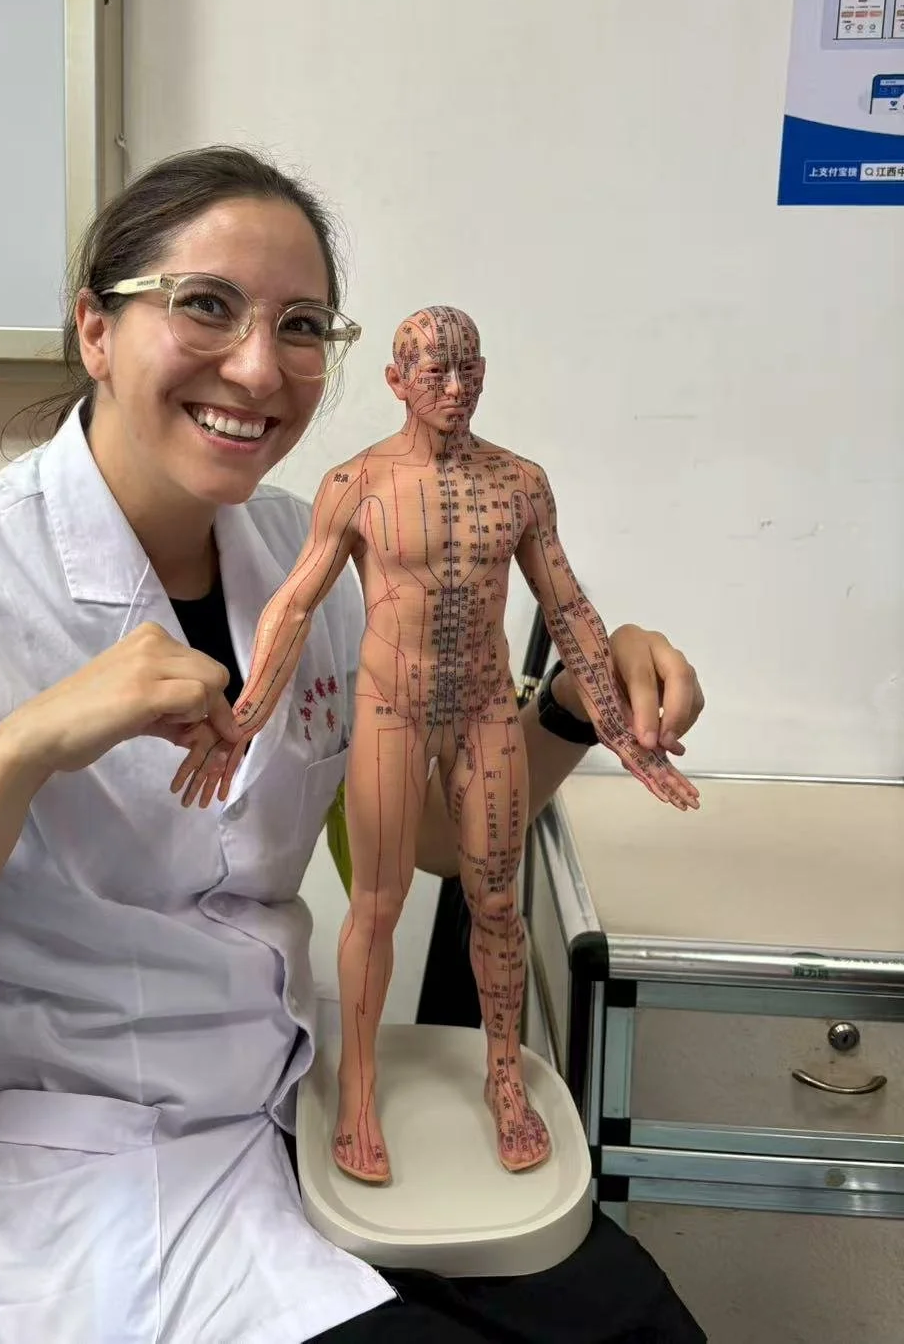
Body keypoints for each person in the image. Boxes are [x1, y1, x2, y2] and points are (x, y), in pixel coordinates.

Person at [0, 148, 706, 1344]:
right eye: (204, 305)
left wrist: (569, 705)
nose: (257, 366)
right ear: (95, 329)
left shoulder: (306, 560)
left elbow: (441, 850)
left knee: (639, 1329)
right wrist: (23, 751)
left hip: (277, 1122)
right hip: (50, 1189)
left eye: (300, 325)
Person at [171, 304, 699, 1185]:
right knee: (375, 905)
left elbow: (566, 605)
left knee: (498, 902)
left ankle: (503, 1078)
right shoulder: (358, 482)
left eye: (468, 371)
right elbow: (295, 601)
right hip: (389, 706)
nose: (454, 390)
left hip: (487, 703)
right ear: (395, 381)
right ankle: (361, 1086)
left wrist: (617, 726)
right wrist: (247, 713)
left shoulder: (520, 482)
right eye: (433, 373)